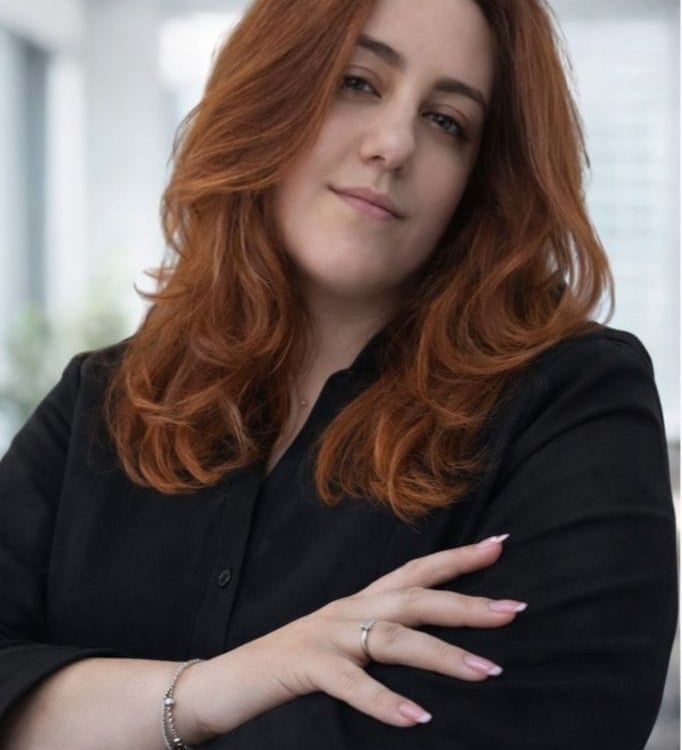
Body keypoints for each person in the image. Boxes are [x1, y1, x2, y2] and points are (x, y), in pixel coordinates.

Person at [0, 0, 676, 748]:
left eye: (447, 121)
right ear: (271, 92)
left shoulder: (573, 405)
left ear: (482, 178)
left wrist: (77, 714)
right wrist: (214, 690)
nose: (393, 145)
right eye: (358, 82)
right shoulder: (103, 400)